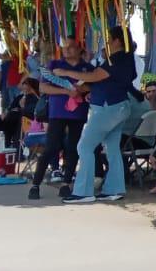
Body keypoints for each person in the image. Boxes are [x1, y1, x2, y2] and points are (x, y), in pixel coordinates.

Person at [54, 30, 139, 203]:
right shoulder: (127, 58)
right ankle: (114, 189)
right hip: (118, 105)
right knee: (112, 148)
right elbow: (107, 81)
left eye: (108, 39)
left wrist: (66, 72)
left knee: (84, 146)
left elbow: (94, 76)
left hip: (108, 108)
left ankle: (83, 191)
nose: (106, 43)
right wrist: (90, 90)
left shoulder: (118, 58)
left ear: (117, 41)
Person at [29, 40, 92, 199]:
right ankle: (35, 184)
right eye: (64, 47)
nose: (67, 50)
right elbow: (43, 87)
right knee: (51, 147)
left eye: (71, 47)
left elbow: (93, 86)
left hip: (78, 112)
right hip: (57, 112)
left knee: (73, 147)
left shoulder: (87, 68)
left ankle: (66, 183)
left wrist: (81, 89)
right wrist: (66, 91)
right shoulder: (54, 65)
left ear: (79, 48)